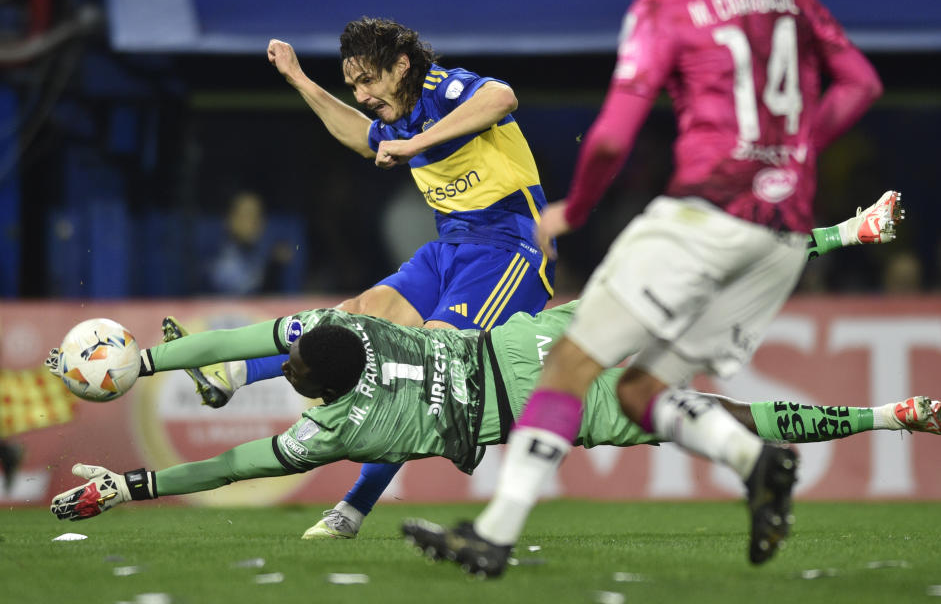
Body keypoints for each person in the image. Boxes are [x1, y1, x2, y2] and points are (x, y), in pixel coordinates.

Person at [403, 0, 886, 575]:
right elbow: (862, 83)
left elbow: (609, 136)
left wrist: (575, 210)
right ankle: (756, 461)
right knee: (639, 391)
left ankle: (493, 536)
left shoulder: (670, 1)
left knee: (569, 365)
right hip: (781, 236)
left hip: (705, 216)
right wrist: (794, 156)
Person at [162, 192, 902, 539]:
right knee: (731, 417)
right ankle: (886, 412)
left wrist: (146, 468)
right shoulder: (365, 373)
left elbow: (252, 449)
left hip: (546, 362)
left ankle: (847, 233)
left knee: (704, 299)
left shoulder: (355, 400)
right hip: (551, 369)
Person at [47, 301, 941, 526]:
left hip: (557, 404)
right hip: (538, 348)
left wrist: (134, 483)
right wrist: (160, 360)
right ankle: (835, 262)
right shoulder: (354, 327)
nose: (285, 362)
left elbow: (236, 467)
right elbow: (250, 335)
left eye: (290, 369)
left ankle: (883, 411)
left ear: (314, 383)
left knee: (738, 424)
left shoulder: (341, 430)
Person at [254, 17, 557, 536]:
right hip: (450, 249)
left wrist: (416, 145)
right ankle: (232, 375)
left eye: (368, 80)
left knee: (426, 368)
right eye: (354, 85)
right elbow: (363, 137)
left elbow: (502, 97)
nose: (362, 94)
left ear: (402, 66)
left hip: (509, 249)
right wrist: (301, 81)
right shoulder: (397, 114)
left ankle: (351, 511)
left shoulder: (443, 88)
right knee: (355, 317)